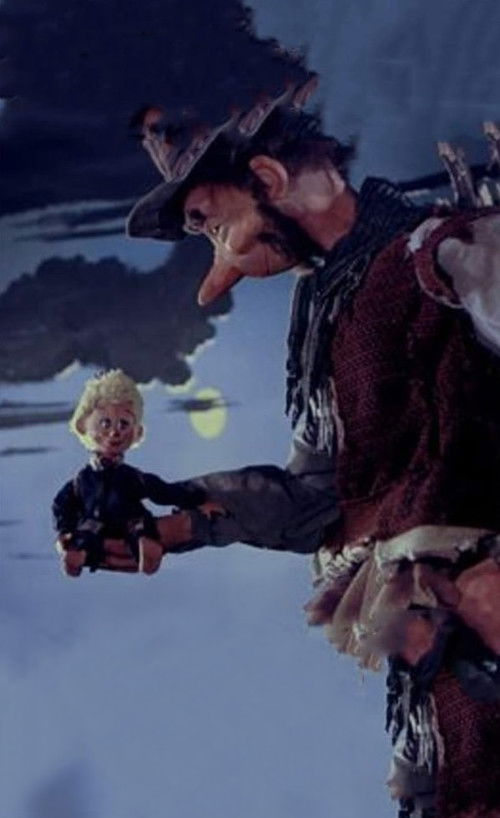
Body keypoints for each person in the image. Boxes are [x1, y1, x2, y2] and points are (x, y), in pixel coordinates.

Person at [60, 80, 500, 818]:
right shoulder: (323, 313)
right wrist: (177, 522)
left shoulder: (446, 249)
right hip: (436, 651)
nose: (218, 255)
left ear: (265, 179)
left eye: (211, 223)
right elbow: (319, 498)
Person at [53, 369, 206, 575]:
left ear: (137, 432)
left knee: (141, 528)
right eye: (105, 423)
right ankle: (77, 555)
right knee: (84, 535)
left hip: (130, 522)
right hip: (94, 525)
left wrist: (198, 500)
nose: (114, 432)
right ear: (83, 424)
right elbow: (62, 504)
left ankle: (147, 550)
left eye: (124, 424)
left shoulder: (132, 476)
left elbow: (162, 491)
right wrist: (64, 530)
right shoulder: (81, 481)